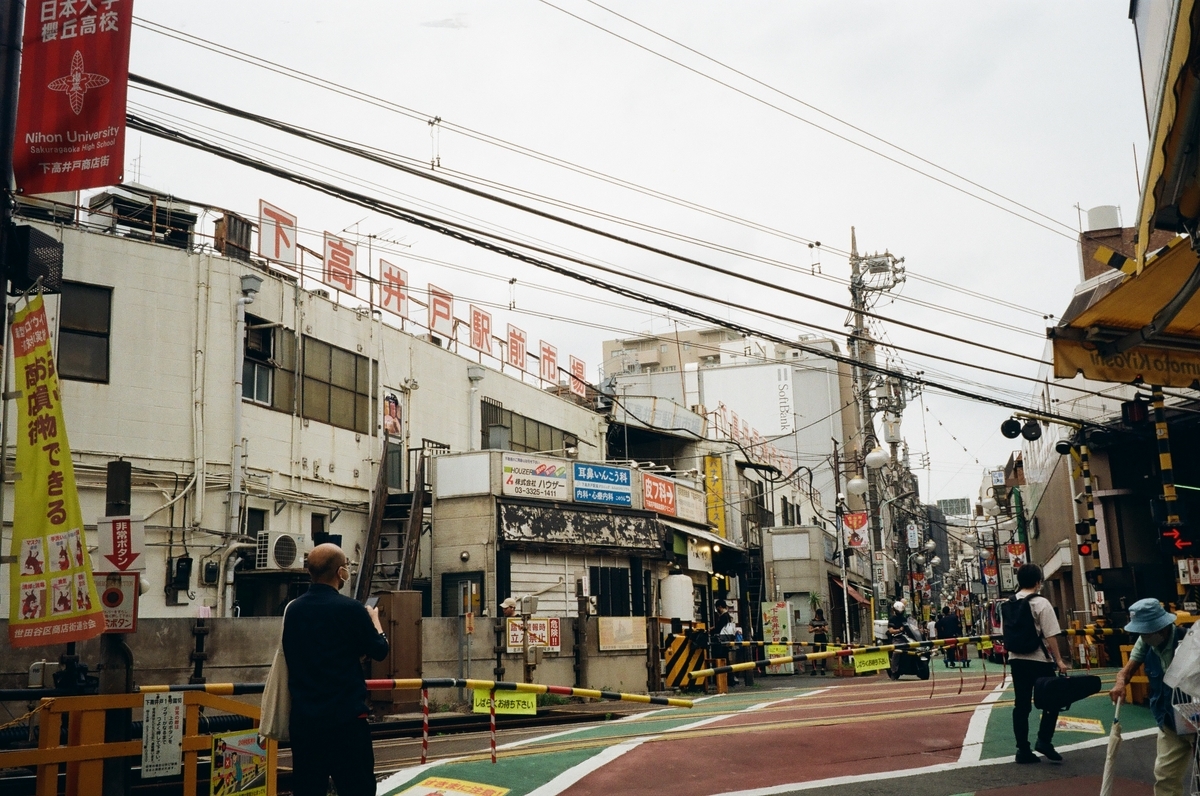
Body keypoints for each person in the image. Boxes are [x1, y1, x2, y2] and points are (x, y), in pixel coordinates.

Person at [283, 543, 389, 796]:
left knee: (308, 788)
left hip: (305, 721)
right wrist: (374, 620)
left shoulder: (293, 610)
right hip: (346, 720)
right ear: (341, 572)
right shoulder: (351, 609)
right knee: (357, 788)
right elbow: (380, 650)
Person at [1110, 598, 1191, 796]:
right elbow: (1126, 672)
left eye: (1146, 631)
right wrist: (1120, 682)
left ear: (1161, 628)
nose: (1143, 636)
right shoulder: (1145, 642)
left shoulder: (1190, 641)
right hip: (1169, 719)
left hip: (1195, 717)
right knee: (1165, 775)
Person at [1003, 563, 1070, 765]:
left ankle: (1022, 749)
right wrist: (1059, 660)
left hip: (1016, 660)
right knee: (1052, 701)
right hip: (1039, 660)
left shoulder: (1009, 603)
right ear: (1038, 581)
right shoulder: (1041, 603)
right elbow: (1050, 635)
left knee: (1021, 705)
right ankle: (1044, 741)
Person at [711, 599, 738, 686]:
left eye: (717, 607)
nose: (717, 610)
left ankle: (727, 680)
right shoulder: (728, 616)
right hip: (727, 640)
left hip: (722, 641)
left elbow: (719, 629)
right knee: (726, 660)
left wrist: (712, 630)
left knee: (722, 660)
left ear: (719, 607)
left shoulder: (723, 616)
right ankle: (731, 679)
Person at [808, 608, 829, 675]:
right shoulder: (812, 621)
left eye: (820, 615)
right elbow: (809, 630)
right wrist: (815, 629)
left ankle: (823, 669)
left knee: (824, 653)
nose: (819, 616)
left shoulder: (824, 621)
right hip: (816, 636)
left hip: (823, 636)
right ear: (816, 614)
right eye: (818, 615)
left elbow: (827, 630)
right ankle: (814, 669)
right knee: (815, 653)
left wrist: (823, 628)